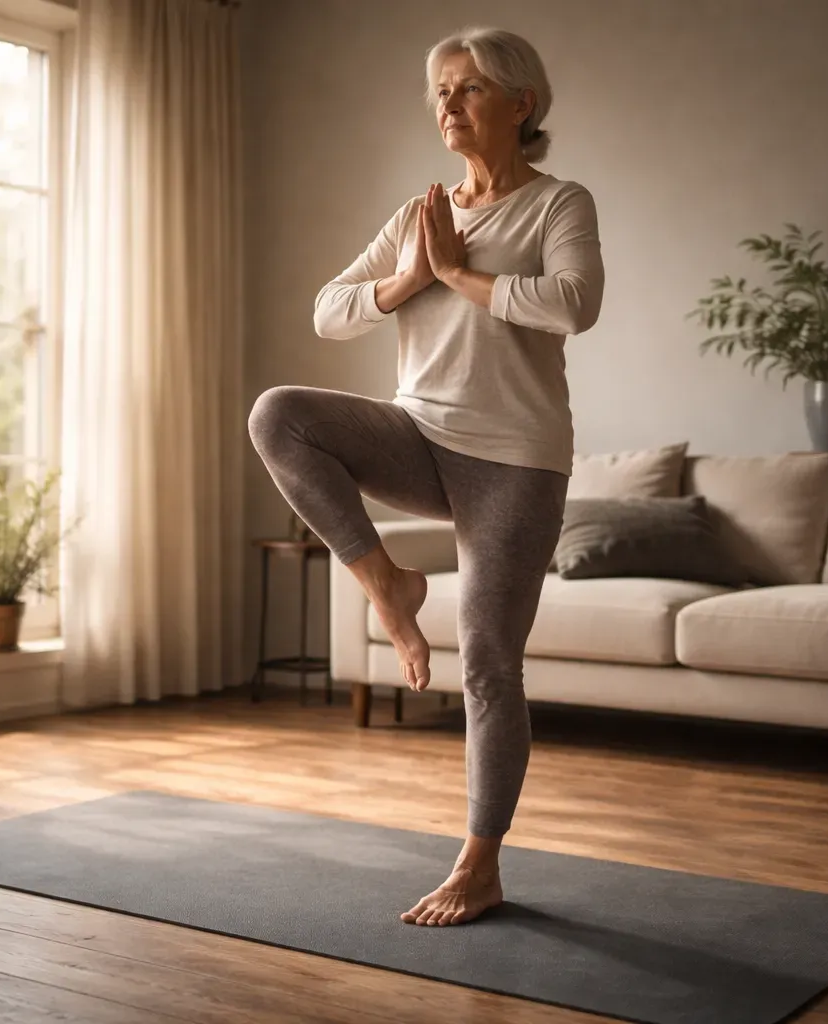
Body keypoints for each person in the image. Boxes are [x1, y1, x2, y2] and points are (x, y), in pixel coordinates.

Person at [248, 25, 604, 927]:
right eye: (439, 91)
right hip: (420, 435)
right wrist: (412, 277)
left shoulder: (558, 204)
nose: (447, 105)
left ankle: (480, 864)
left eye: (468, 88)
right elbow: (330, 312)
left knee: (488, 662)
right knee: (278, 414)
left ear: (521, 103)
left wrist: (458, 273)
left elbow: (575, 305)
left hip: (515, 462)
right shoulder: (421, 214)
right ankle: (389, 583)